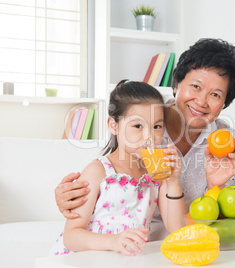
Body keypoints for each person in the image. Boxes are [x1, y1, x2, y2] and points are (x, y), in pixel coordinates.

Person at [54, 38, 235, 240]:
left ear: (225, 103)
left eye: (215, 94)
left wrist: (214, 186)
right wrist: (70, 195)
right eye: (196, 86)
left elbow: (227, 215)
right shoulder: (147, 114)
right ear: (176, 85)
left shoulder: (228, 143)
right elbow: (104, 177)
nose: (201, 101)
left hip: (179, 237)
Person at [50, 80, 185, 256]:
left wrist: (173, 181)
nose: (149, 136)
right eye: (138, 126)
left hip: (126, 260)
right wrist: (112, 241)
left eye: (157, 127)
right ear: (114, 126)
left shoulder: (156, 175)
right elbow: (71, 236)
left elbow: (178, 230)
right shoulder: (98, 171)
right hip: (87, 259)